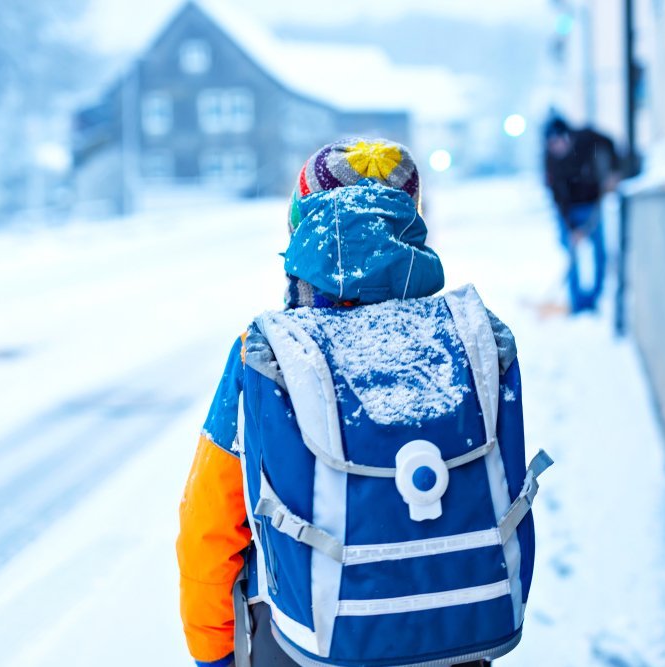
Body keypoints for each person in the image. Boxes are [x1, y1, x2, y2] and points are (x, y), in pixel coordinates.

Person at [177, 138, 549, 667]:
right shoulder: (472, 339)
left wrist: (214, 657)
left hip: (309, 646)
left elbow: (208, 531)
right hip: (456, 635)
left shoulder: (267, 356)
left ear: (302, 228)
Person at [543, 116, 620, 314]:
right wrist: (571, 228)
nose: (556, 148)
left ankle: (594, 298)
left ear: (567, 137)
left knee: (600, 253)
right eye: (551, 145)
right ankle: (577, 303)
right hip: (568, 210)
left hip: (591, 204)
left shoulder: (586, 138)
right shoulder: (550, 159)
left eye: (558, 143)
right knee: (571, 253)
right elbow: (556, 195)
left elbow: (609, 143)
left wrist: (613, 171)